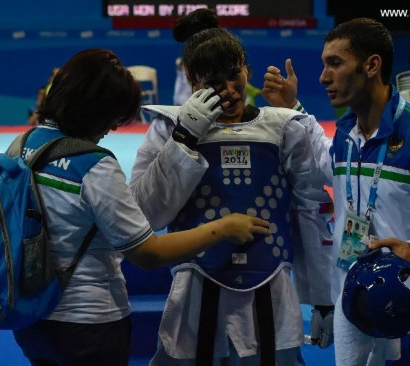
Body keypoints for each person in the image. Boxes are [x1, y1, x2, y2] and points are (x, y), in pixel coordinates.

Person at [11, 48, 272, 366]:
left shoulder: (23, 145)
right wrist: (223, 227)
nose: (112, 128)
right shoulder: (93, 166)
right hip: (87, 323)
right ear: (95, 109)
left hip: (30, 316)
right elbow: (149, 253)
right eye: (113, 117)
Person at [263, 17, 410, 365]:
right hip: (358, 326)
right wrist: (293, 109)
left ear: (372, 65)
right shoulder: (348, 135)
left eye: (335, 63)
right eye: (323, 64)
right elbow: (322, 159)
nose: (323, 77)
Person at [129, 10, 335, 365]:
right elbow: (144, 215)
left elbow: (310, 210)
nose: (228, 90)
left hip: (271, 288)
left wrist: (322, 296)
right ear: (192, 81)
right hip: (195, 290)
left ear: (247, 71)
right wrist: (184, 138)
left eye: (234, 76)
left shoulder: (284, 128)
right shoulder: (167, 128)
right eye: (214, 82)